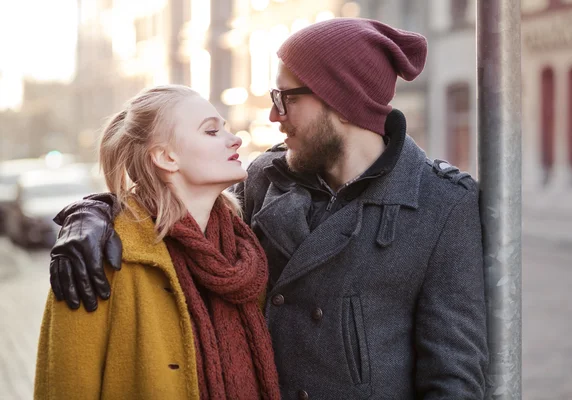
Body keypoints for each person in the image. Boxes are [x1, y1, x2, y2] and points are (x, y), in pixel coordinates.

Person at [47, 18, 488, 399]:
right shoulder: (263, 178)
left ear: (342, 101)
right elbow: (173, 213)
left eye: (285, 99)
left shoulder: (442, 203)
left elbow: (454, 376)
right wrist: (94, 213)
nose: (274, 117)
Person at [34, 85, 280, 399]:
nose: (235, 139)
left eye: (227, 129)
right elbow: (66, 387)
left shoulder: (244, 253)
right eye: (211, 131)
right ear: (166, 157)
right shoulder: (99, 255)